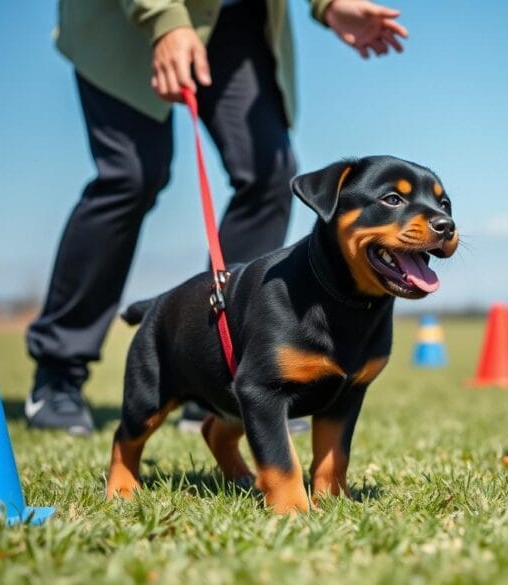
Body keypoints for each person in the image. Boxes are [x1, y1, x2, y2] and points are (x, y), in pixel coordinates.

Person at [26, 0, 408, 436]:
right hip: (126, 18)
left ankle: (223, 374)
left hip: (235, 20)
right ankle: (58, 374)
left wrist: (328, 5)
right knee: (132, 176)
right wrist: (165, 20)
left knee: (271, 174)